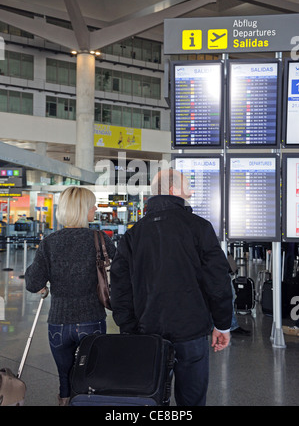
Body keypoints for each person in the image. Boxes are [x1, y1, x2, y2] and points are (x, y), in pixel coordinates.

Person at [110, 169, 233, 406]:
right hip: (192, 331)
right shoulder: (200, 227)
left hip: (146, 333)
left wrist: (128, 328)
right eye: (187, 186)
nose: (192, 191)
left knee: (151, 397)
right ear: (171, 190)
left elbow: (120, 287)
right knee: (192, 400)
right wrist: (222, 325)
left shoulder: (133, 235)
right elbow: (217, 281)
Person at [25, 186, 116, 405]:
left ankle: (64, 399)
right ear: (83, 209)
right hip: (92, 318)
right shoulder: (100, 238)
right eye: (92, 204)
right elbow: (121, 271)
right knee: (89, 372)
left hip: (59, 322)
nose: (95, 208)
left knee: (64, 374)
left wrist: (44, 289)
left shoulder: (50, 242)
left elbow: (33, 282)